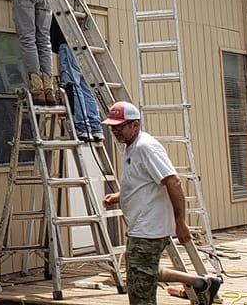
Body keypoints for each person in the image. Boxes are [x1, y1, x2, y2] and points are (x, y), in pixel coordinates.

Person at [101, 101, 222, 304]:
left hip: (148, 230)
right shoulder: (131, 147)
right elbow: (143, 182)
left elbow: (172, 182)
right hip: (141, 227)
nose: (115, 131)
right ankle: (201, 283)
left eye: (120, 126)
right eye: (112, 127)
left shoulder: (146, 147)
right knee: (142, 270)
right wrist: (119, 196)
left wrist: (180, 222)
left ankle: (202, 283)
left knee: (140, 292)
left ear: (135, 125)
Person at [49, 21, 104, 142]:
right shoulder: (70, 12)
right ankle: (95, 128)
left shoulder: (54, 9)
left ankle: (82, 127)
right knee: (86, 89)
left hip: (68, 46)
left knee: (73, 87)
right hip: (82, 49)